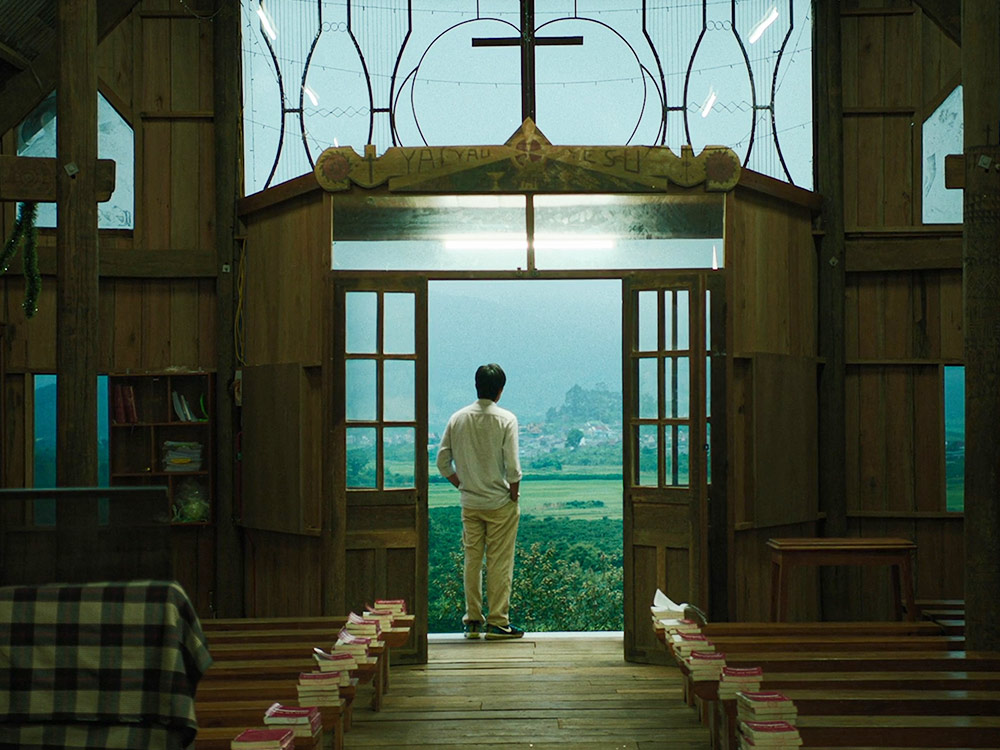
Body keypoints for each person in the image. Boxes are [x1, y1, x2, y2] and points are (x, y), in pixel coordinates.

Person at [436, 363, 524, 640]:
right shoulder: (506, 419)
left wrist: (462, 484)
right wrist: (513, 494)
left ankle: (472, 620)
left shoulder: (457, 418)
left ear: (477, 386)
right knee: (499, 562)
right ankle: (498, 622)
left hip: (470, 503)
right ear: (500, 391)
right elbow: (512, 468)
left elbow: (442, 462)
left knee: (472, 560)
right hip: (499, 504)